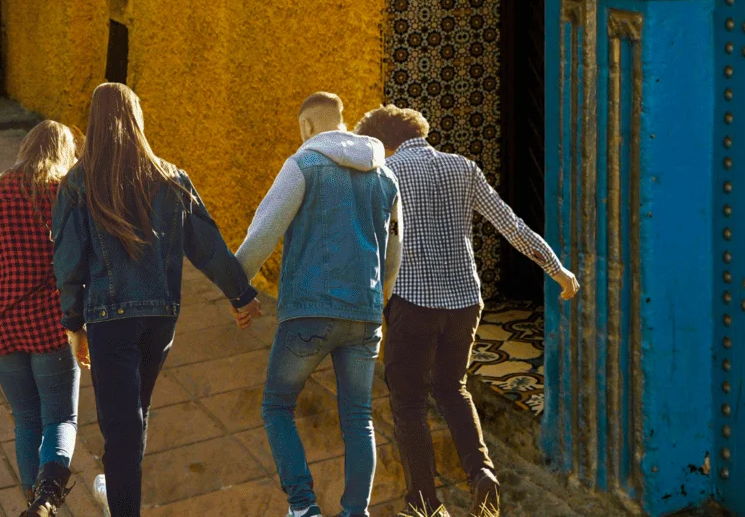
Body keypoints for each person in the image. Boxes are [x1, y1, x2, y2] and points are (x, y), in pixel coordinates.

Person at [356, 104, 580, 517]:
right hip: (465, 304)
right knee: (452, 388)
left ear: (382, 142)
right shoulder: (463, 168)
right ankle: (482, 475)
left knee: (408, 403)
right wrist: (558, 269)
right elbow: (512, 226)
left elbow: (369, 248)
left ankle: (424, 504)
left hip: (413, 303)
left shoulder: (385, 176)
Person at [52, 83, 260, 517]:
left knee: (121, 425)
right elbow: (206, 244)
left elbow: (68, 260)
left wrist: (73, 323)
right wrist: (240, 294)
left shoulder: (79, 181)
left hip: (109, 318)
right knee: (135, 412)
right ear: (137, 119)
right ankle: (119, 492)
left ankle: (122, 500)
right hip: (160, 317)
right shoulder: (170, 176)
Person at [235, 92, 403, 517]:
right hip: (365, 315)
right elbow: (395, 249)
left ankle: (303, 506)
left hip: (308, 312)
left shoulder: (302, 165)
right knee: (358, 417)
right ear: (343, 122)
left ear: (308, 127)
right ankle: (354, 512)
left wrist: (235, 288)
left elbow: (263, 233)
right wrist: (378, 298)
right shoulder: (386, 176)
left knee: (276, 406)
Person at [0, 120, 82, 517]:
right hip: (53, 327)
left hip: (2, 326)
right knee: (59, 416)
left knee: (26, 419)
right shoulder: (70, 194)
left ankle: (33, 502)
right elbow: (84, 264)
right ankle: (48, 499)